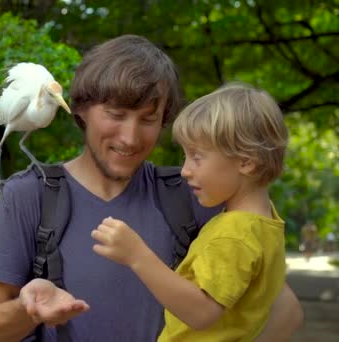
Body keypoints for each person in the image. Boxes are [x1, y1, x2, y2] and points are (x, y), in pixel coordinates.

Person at [0, 35, 303, 342]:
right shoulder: (29, 194)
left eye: (147, 119)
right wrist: (27, 308)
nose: (130, 138)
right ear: (82, 110)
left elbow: (284, 308)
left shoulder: (197, 193)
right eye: (116, 114)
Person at [92, 83, 289, 341]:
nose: (185, 170)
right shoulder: (266, 223)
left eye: (197, 157)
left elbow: (202, 312)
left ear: (245, 162)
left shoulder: (234, 233)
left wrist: (136, 255)